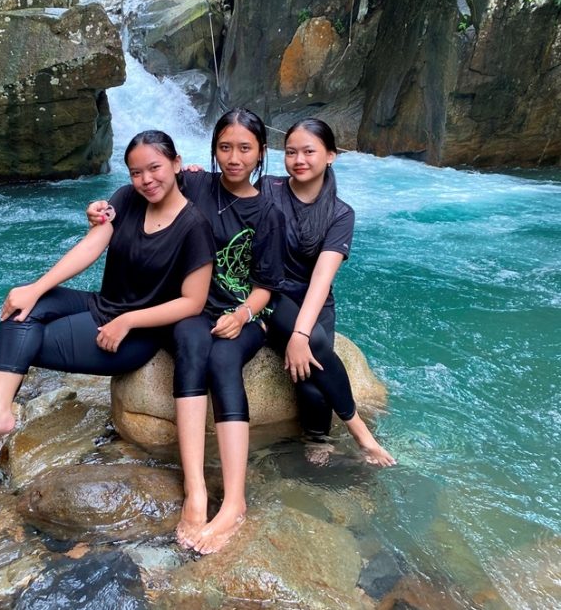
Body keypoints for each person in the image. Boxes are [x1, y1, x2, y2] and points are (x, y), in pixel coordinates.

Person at [0, 130, 215, 470]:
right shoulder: (128, 199)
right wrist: (37, 287)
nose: (146, 180)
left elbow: (192, 302)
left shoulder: (194, 226)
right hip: (103, 305)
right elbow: (90, 247)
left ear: (177, 163)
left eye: (154, 168)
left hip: (136, 335)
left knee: (20, 339)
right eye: (135, 172)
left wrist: (129, 320)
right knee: (21, 308)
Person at [88, 109, 286, 555]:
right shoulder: (194, 183)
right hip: (193, 309)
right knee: (193, 345)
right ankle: (196, 490)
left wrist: (241, 315)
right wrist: (98, 209)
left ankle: (234, 501)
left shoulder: (269, 210)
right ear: (209, 151)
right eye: (224, 147)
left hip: (245, 312)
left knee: (223, 358)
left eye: (244, 149)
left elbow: (266, 286)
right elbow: (139, 191)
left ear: (260, 153)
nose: (233, 158)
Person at [263, 118, 395, 467]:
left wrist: (301, 333)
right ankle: (362, 435)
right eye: (291, 152)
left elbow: (322, 279)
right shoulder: (266, 189)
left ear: (330, 156)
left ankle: (317, 437)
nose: (298, 159)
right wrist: (192, 177)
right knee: (316, 350)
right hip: (269, 298)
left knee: (310, 383)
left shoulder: (340, 214)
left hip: (313, 304)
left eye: (309, 151)